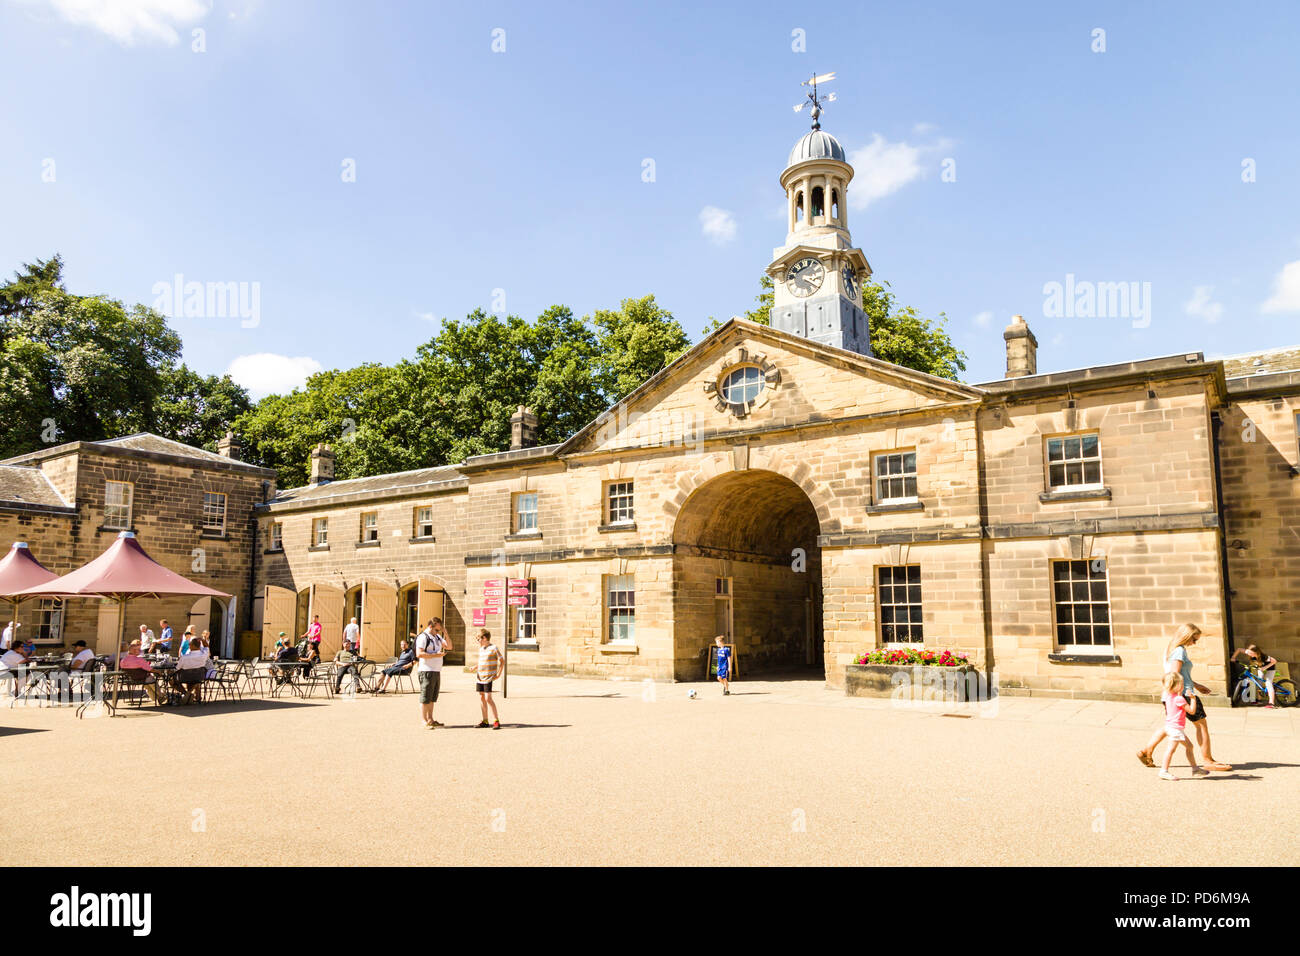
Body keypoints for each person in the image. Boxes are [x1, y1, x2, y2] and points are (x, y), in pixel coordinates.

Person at [1137, 623, 1232, 772]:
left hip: (1170, 694)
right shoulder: (1179, 651)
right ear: (1186, 636)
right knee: (1201, 725)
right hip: (1183, 694)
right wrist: (1187, 694)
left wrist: (1197, 685)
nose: (1194, 643)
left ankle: (1146, 751)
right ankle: (1208, 760)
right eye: (1194, 639)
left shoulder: (1170, 648)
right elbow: (1175, 675)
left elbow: (1177, 675)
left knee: (1170, 726)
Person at [1158, 671, 1208, 781]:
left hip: (1171, 727)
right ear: (1176, 686)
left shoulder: (1168, 696)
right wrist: (1193, 699)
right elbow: (1191, 711)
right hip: (1176, 729)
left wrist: (1179, 692)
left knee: (1189, 746)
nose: (1183, 685)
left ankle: (1195, 769)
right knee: (1171, 749)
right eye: (1181, 684)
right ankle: (1164, 771)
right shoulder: (1179, 699)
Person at [415, 618, 449, 728]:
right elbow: (419, 654)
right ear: (430, 626)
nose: (438, 632)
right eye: (437, 630)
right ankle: (424, 720)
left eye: (439, 630)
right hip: (426, 670)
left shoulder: (437, 636)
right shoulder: (423, 637)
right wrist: (436, 655)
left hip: (436, 670)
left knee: (432, 698)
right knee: (425, 697)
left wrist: (445, 633)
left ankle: (430, 719)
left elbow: (449, 646)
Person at [1230, 643, 1279, 707]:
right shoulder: (1249, 652)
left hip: (1270, 669)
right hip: (1261, 668)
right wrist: (1233, 657)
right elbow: (1239, 649)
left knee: (1268, 683)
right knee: (1258, 682)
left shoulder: (1264, 657)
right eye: (1249, 652)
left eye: (1251, 653)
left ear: (1256, 652)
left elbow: (1274, 661)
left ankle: (1271, 703)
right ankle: (1259, 700)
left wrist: (1264, 668)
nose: (1249, 654)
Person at [474, 629, 503, 729]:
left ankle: (496, 721)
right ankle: (485, 720)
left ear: (485, 638)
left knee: (488, 698)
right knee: (482, 698)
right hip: (480, 677)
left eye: (478, 639)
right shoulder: (481, 649)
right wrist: (475, 667)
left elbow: (502, 660)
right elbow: (481, 662)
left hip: (488, 677)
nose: (478, 641)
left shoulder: (494, 648)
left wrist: (498, 674)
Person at [120, 639, 161, 704]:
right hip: (143, 678)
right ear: (134, 651)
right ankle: (161, 697)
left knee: (147, 686)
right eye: (138, 650)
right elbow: (150, 669)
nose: (140, 651)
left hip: (131, 679)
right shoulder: (139, 660)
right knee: (152, 681)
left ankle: (156, 698)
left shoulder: (123, 660)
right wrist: (158, 672)